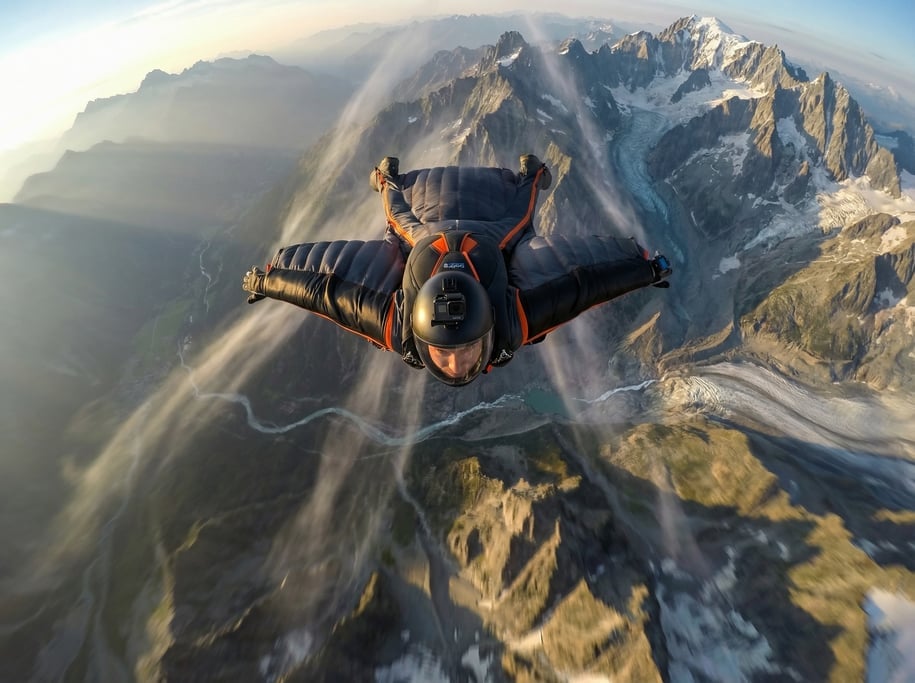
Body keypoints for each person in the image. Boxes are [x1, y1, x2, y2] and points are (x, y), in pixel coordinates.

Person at [242, 154, 671, 386]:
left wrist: (272, 279)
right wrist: (643, 269)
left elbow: (327, 293)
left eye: (450, 353)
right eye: (458, 354)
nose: (454, 365)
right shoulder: (509, 323)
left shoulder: (399, 326)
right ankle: (394, 177)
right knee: (407, 218)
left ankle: (523, 174)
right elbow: (585, 286)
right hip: (455, 234)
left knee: (404, 220)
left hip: (449, 232)